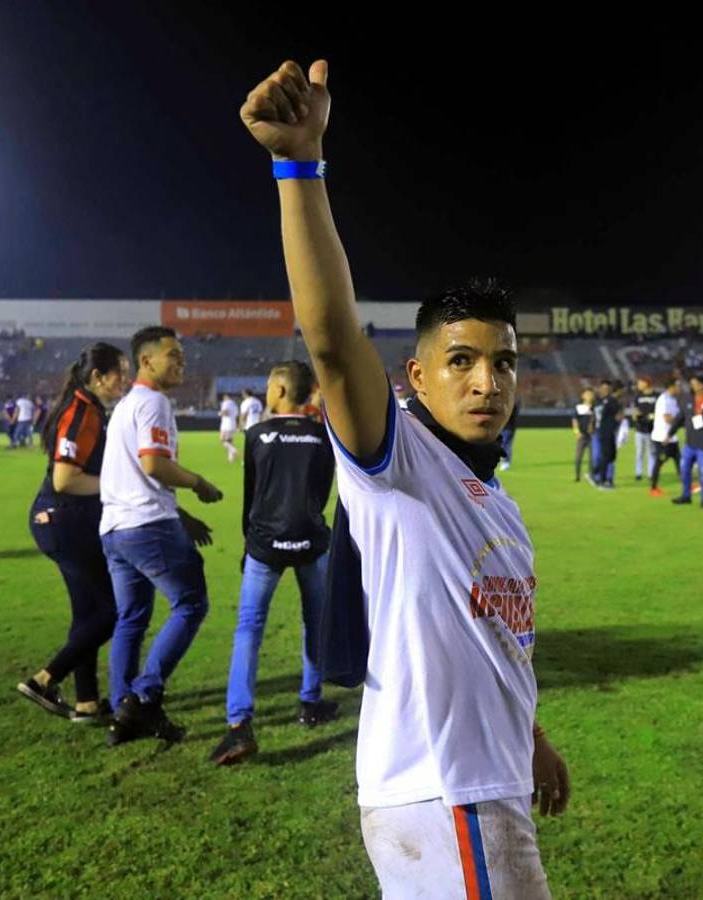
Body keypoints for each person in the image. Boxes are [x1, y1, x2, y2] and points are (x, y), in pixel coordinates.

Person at [242, 59, 568, 897]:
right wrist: (300, 167)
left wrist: (529, 738)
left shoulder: (499, 502)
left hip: (483, 789)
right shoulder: (398, 467)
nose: (485, 381)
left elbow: (496, 647)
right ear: (416, 379)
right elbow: (328, 336)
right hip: (444, 801)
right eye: (460, 361)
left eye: (502, 363)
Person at [210, 361, 338, 766]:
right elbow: (322, 494)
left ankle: (239, 723)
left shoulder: (257, 435)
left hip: (264, 545)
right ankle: (310, 702)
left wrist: (251, 543)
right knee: (314, 623)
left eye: (269, 385)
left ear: (281, 390)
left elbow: (253, 497)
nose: (266, 391)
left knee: (249, 628)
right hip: (312, 543)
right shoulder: (322, 437)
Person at [99, 326, 223, 745]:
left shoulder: (124, 406)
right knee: (191, 603)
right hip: (147, 526)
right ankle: (144, 698)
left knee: (131, 618)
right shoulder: (153, 403)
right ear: (146, 360)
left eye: (182, 356)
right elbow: (153, 465)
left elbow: (134, 474)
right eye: (173, 355)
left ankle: (122, 710)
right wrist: (198, 483)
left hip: (115, 530)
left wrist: (181, 515)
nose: (181, 363)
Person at [18, 343, 130, 725]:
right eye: (120, 372)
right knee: (113, 611)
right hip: (62, 520)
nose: (125, 380)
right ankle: (45, 679)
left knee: (88, 614)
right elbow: (65, 480)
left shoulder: (88, 408)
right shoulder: (81, 412)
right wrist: (118, 483)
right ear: (97, 377)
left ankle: (86, 703)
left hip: (64, 521)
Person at [669, 375, 703, 508]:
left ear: (702, 385)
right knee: (684, 469)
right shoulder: (688, 401)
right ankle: (686, 496)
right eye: (691, 384)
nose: (692, 386)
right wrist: (670, 434)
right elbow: (679, 418)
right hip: (690, 442)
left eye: (695, 384)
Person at [648, 380, 680, 497]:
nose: (679, 388)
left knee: (679, 461)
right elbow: (667, 418)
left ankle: (687, 485)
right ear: (671, 387)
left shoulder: (672, 399)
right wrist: (681, 422)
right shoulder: (664, 400)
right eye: (677, 386)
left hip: (671, 437)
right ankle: (653, 487)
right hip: (662, 437)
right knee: (660, 461)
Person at [591, 380, 621, 489]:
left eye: (606, 389)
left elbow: (618, 414)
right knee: (605, 455)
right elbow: (593, 414)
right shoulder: (598, 401)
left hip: (608, 431)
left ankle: (597, 474)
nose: (604, 391)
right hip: (602, 431)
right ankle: (602, 480)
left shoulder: (612, 401)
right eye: (602, 388)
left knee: (610, 455)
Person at [632, 376, 657, 479]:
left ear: (646, 383)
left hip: (652, 428)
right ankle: (638, 473)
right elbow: (635, 409)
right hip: (639, 428)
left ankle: (651, 473)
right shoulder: (638, 396)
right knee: (639, 452)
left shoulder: (656, 396)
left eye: (640, 383)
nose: (638, 385)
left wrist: (652, 416)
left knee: (651, 452)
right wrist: (635, 414)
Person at [571, 388, 595, 482]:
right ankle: (577, 476)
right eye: (587, 394)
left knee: (592, 458)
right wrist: (577, 432)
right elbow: (574, 420)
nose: (589, 396)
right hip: (582, 436)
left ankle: (591, 475)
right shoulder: (579, 407)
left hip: (592, 436)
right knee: (578, 457)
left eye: (591, 394)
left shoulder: (595, 407)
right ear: (583, 396)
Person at [218, 392, 240, 463]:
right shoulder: (234, 404)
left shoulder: (226, 403)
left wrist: (220, 413)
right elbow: (236, 414)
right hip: (233, 423)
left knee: (222, 441)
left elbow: (225, 412)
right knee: (230, 441)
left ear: (226, 397)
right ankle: (231, 459)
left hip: (226, 425)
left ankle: (234, 451)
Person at [498, 398, 519, 471]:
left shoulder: (511, 405)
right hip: (502, 427)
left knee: (506, 444)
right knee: (502, 444)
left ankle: (506, 462)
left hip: (508, 428)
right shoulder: (504, 404)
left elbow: (511, 418)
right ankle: (503, 461)